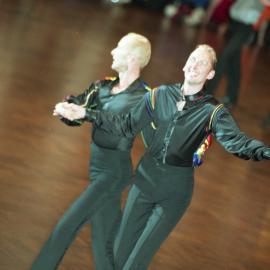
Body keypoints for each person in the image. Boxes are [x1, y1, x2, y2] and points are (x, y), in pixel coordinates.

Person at [57, 44, 270, 270]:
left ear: (210, 74)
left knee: (136, 261)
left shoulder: (213, 112)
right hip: (143, 180)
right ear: (185, 64)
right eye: (193, 59)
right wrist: (85, 113)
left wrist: (266, 151)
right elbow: (126, 125)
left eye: (203, 63)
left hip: (175, 190)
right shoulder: (159, 95)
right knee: (117, 256)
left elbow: (238, 143)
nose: (195, 65)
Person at [31, 32, 152, 270]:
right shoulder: (104, 86)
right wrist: (68, 109)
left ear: (133, 59)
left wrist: (86, 114)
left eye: (119, 48)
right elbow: (81, 107)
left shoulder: (145, 97)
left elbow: (121, 123)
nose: (112, 51)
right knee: (103, 240)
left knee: (67, 225)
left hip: (114, 173)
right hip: (98, 169)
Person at [206, 0, 267, 107]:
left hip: (246, 27)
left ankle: (207, 96)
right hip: (234, 22)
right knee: (233, 63)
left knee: (224, 57)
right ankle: (232, 97)